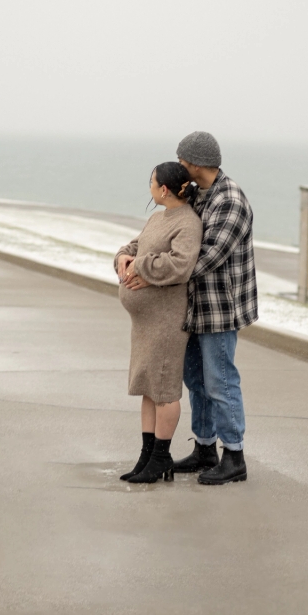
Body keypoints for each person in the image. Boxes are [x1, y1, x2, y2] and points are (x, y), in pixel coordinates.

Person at [126, 131, 258, 485]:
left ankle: (234, 456)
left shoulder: (230, 200)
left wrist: (149, 274)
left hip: (219, 307)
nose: (179, 167)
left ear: (196, 163)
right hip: (192, 307)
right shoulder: (197, 194)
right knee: (197, 381)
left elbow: (205, 259)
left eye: (182, 161)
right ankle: (204, 448)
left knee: (221, 382)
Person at [114, 162, 202, 484]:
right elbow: (136, 247)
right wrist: (123, 258)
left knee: (164, 390)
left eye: (151, 182)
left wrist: (141, 267)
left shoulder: (188, 224)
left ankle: (161, 458)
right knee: (149, 388)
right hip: (145, 322)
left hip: (166, 320)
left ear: (163, 189)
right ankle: (146, 455)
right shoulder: (157, 218)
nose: (149, 187)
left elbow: (180, 265)